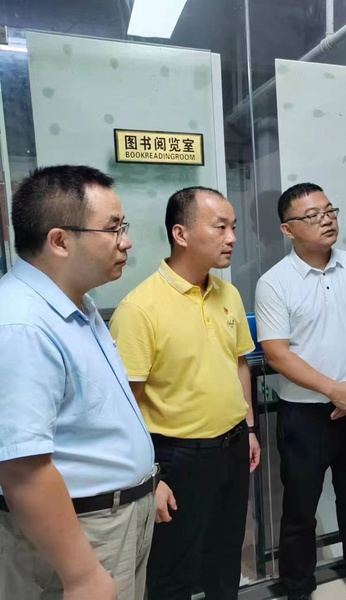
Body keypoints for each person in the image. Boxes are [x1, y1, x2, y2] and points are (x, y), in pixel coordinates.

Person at [0, 165, 157, 600]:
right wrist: (82, 574)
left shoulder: (76, 305)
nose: (126, 241)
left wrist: (145, 480)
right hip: (81, 532)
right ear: (60, 240)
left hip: (115, 516)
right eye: (113, 228)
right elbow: (21, 469)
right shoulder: (21, 325)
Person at [109, 186, 260, 600]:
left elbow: (239, 364)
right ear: (181, 234)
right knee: (173, 570)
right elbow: (125, 405)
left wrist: (248, 428)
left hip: (232, 446)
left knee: (225, 558)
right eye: (220, 227)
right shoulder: (140, 309)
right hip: (178, 457)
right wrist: (151, 477)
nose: (232, 238)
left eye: (233, 227)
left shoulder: (228, 293)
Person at [255, 183, 346, 599]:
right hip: (304, 416)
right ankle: (298, 588)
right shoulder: (274, 282)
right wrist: (334, 390)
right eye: (312, 216)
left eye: (329, 211)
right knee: (300, 510)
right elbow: (276, 353)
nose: (326, 220)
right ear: (287, 229)